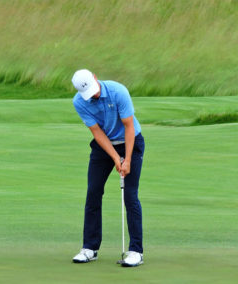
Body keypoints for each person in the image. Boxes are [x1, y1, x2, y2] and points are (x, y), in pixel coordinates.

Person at [71, 69, 145, 267]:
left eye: (94, 90)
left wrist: (126, 159)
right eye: (88, 94)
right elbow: (97, 133)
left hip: (131, 141)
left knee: (130, 195)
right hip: (105, 145)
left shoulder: (118, 91)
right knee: (93, 192)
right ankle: (90, 248)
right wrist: (114, 157)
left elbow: (129, 127)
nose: (93, 96)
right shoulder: (79, 102)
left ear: (95, 78)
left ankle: (136, 251)